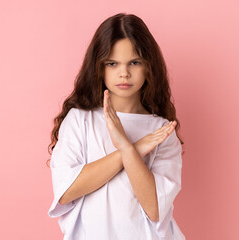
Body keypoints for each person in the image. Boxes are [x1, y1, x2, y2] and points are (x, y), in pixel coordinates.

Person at [46, 12, 186, 240]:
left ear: (148, 67)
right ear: (99, 67)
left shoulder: (163, 131)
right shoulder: (80, 120)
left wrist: (126, 147)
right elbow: (66, 191)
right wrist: (134, 148)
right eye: (112, 63)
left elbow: (154, 208)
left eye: (134, 62)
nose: (124, 73)